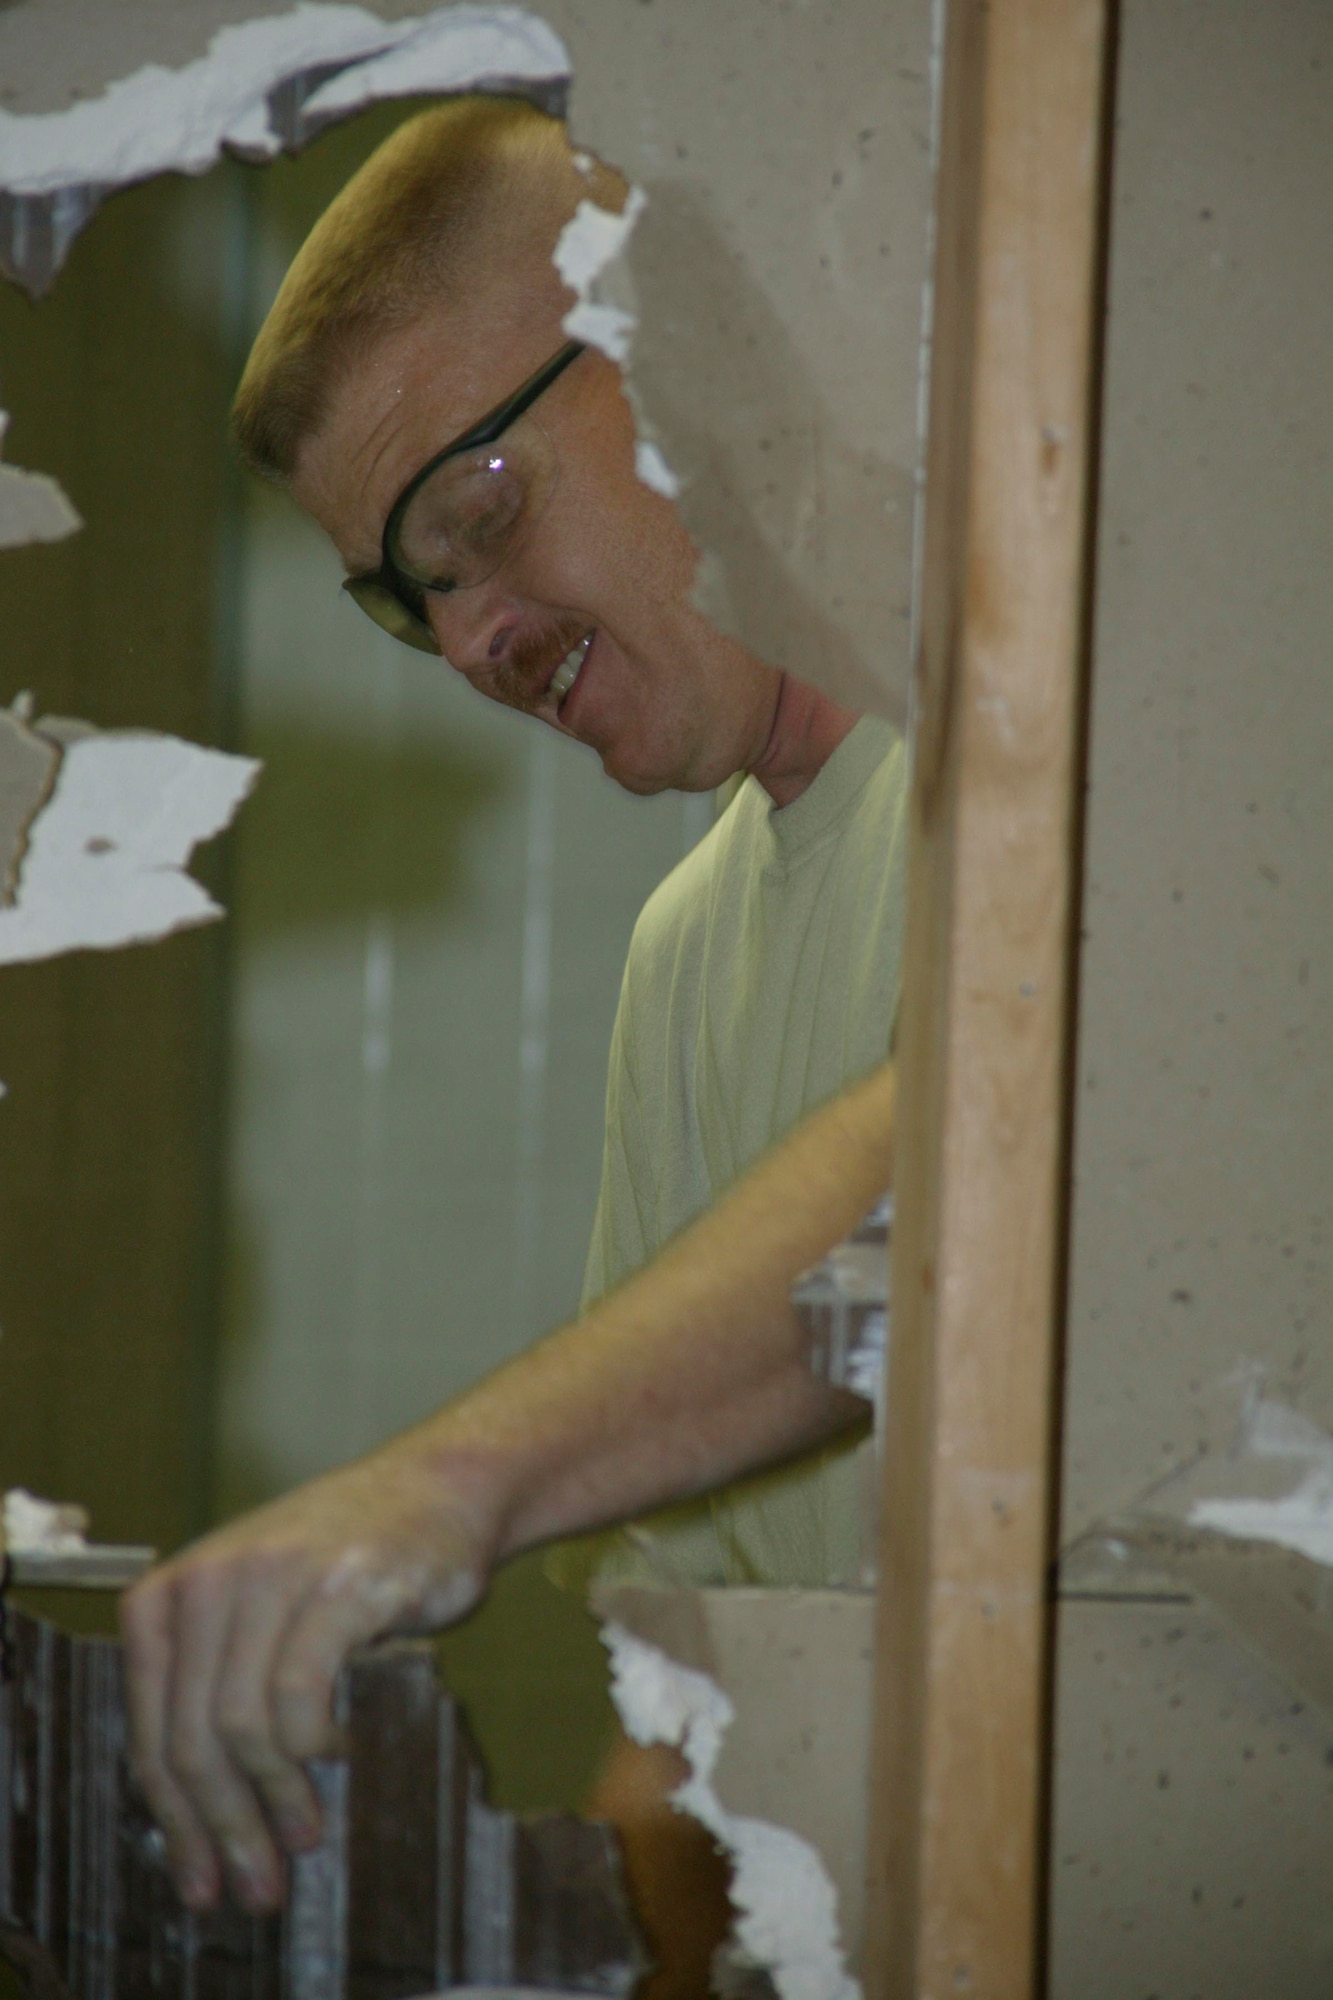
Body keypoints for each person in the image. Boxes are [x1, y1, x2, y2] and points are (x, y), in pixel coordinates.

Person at [121, 95, 906, 1987]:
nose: (473, 640)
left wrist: (444, 1481)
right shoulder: (683, 951)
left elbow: (984, 1153)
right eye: (415, 599)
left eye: (475, 520)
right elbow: (699, 1714)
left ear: (676, 355)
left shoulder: (1070, 765)